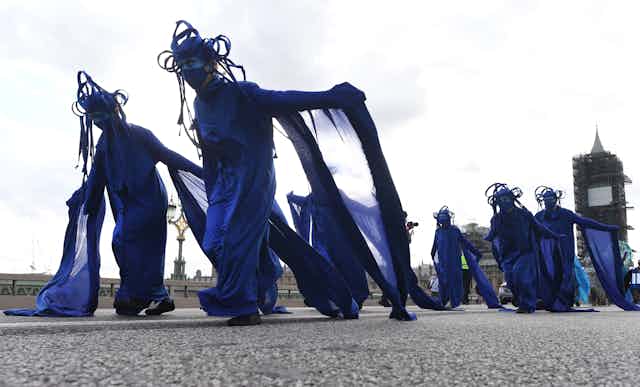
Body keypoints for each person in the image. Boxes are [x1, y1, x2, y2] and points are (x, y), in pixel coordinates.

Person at [160, 21, 367, 325]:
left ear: (210, 63)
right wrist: (212, 185)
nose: (187, 71)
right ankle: (266, 273)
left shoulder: (243, 93)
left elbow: (285, 98)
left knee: (237, 237)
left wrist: (330, 96)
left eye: (191, 62)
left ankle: (244, 305)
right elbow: (209, 153)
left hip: (254, 176)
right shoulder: (198, 106)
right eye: (181, 66)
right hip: (224, 184)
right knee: (213, 241)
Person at [77, 72, 204, 315]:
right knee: (140, 246)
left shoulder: (139, 134)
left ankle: (136, 293)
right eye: (93, 119)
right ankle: (156, 295)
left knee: (123, 239)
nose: (98, 123)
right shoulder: (104, 145)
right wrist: (89, 203)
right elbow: (98, 175)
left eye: (101, 116)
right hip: (127, 203)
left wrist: (202, 173)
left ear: (115, 111)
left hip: (150, 199)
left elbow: (168, 156)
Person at [534, 186, 619, 311]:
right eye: (545, 199)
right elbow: (530, 230)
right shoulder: (539, 216)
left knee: (566, 275)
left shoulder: (566, 214)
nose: (548, 202)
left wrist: (607, 228)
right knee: (548, 275)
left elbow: (585, 222)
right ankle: (549, 300)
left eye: (550, 198)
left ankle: (564, 301)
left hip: (565, 251)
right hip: (547, 253)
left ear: (556, 199)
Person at [484, 184, 563, 313]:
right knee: (510, 279)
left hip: (525, 252)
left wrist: (555, 236)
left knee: (521, 275)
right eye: (501, 199)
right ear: (497, 202)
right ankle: (523, 301)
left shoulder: (524, 214)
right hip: (507, 255)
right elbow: (492, 235)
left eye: (506, 198)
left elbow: (539, 227)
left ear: (511, 198)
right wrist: (486, 240)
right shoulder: (496, 219)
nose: (505, 201)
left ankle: (528, 304)